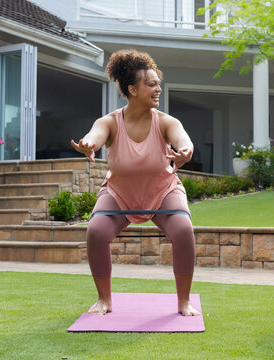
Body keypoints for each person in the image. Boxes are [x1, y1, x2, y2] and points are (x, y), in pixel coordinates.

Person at [71, 49, 200, 316]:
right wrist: (88, 145)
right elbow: (95, 135)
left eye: (158, 84)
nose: (158, 89)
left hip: (162, 192)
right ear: (132, 89)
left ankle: (184, 301)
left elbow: (182, 138)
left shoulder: (166, 122)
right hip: (120, 194)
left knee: (183, 230)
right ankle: (104, 300)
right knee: (95, 231)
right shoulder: (111, 122)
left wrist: (185, 151)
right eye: (151, 84)